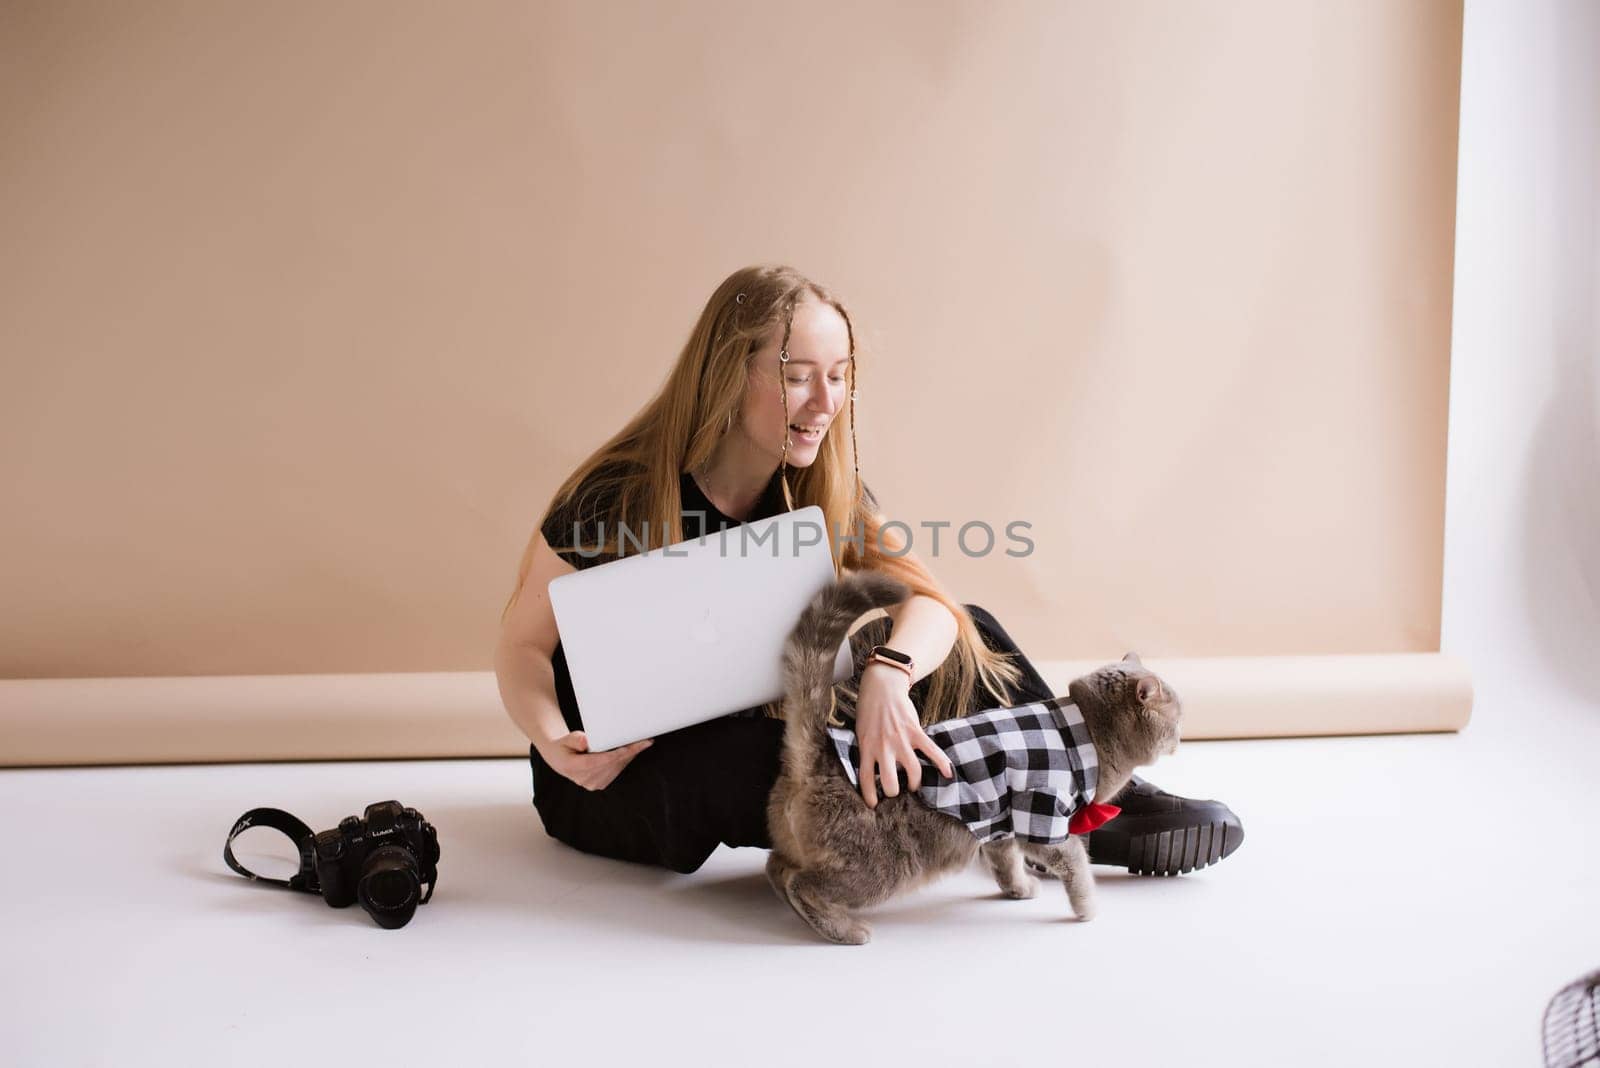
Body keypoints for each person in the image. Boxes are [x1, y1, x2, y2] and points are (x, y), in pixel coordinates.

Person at [494, 264, 1244, 877]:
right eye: (797, 377)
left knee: (964, 635)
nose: (826, 403)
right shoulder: (616, 492)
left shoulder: (818, 485)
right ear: (730, 373)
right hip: (614, 778)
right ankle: (1005, 813)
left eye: (840, 376)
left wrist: (888, 674)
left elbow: (935, 608)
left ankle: (1084, 791)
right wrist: (556, 739)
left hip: (751, 724)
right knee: (779, 756)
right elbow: (522, 646)